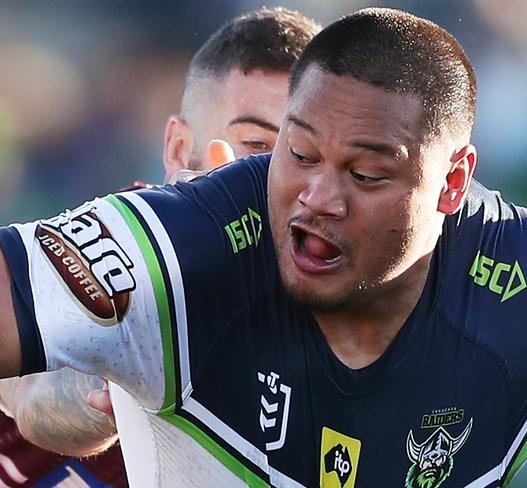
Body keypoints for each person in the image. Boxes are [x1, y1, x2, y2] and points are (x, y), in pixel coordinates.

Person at [0, 7, 527, 487]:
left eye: (360, 167)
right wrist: (51, 402)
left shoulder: (515, 285)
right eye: (279, 150)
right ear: (177, 152)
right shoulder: (157, 256)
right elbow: (43, 364)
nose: (314, 196)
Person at [0, 6, 320, 487]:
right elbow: (32, 389)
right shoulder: (120, 250)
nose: (272, 177)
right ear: (176, 149)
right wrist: (92, 395)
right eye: (255, 144)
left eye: (302, 154)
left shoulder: (345, 300)